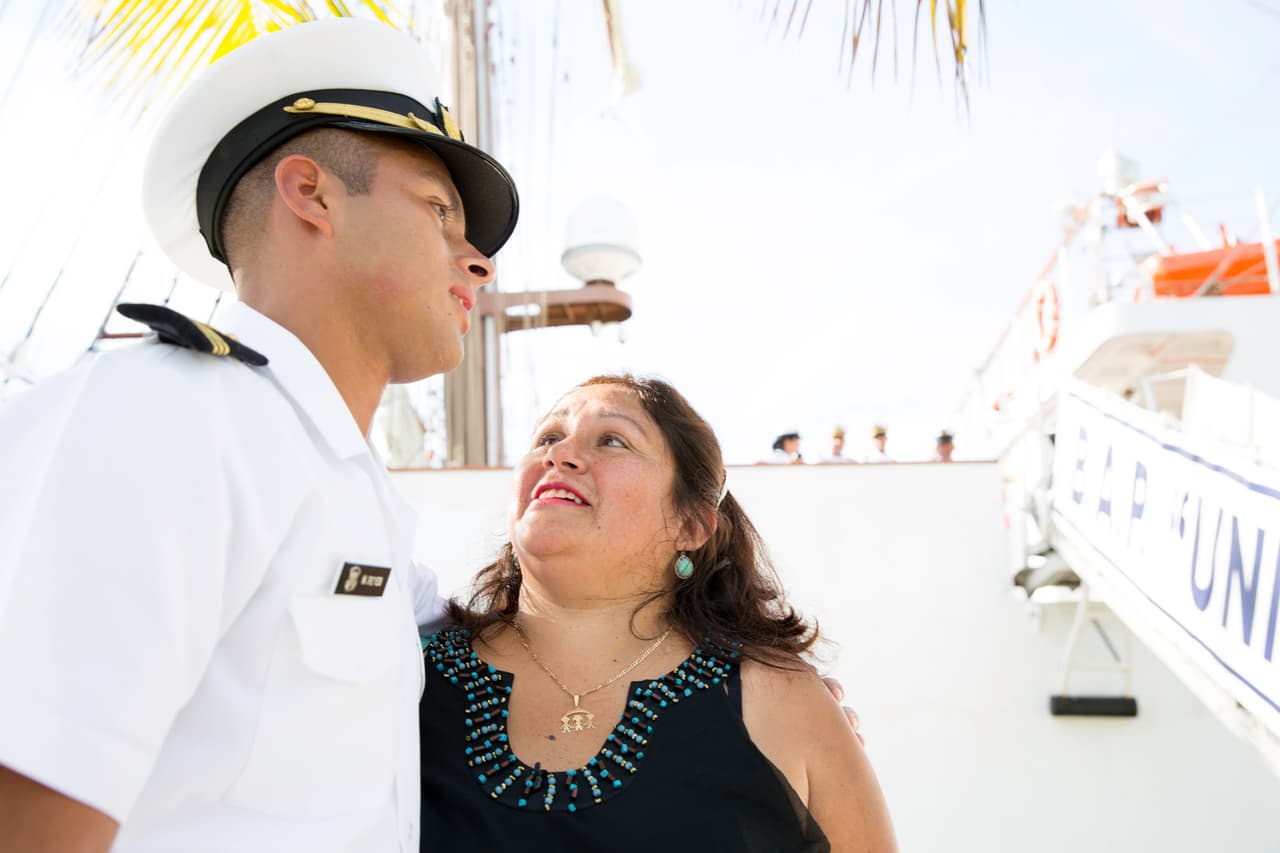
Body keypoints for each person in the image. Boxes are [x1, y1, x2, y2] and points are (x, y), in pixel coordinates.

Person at [0, 19, 517, 852]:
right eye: (438, 210)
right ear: (310, 193)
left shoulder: (352, 489)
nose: (480, 261)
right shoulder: (163, 420)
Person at [419, 375, 898, 851]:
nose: (559, 454)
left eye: (612, 440)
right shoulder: (410, 671)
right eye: (547, 437)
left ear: (691, 525)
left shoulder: (778, 700)